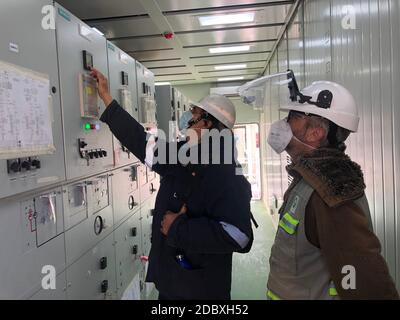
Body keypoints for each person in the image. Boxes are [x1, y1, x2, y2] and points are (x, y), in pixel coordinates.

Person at [90, 68, 254, 300]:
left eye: (193, 114)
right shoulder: (185, 154)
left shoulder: (225, 172)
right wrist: (106, 98)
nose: (187, 118)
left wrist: (177, 228)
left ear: (207, 124)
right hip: (174, 282)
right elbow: (142, 143)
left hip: (199, 291)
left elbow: (239, 235)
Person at [266, 80, 399, 300]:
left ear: (315, 133)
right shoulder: (309, 179)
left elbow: (363, 274)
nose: (285, 123)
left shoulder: (332, 191)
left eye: (294, 117)